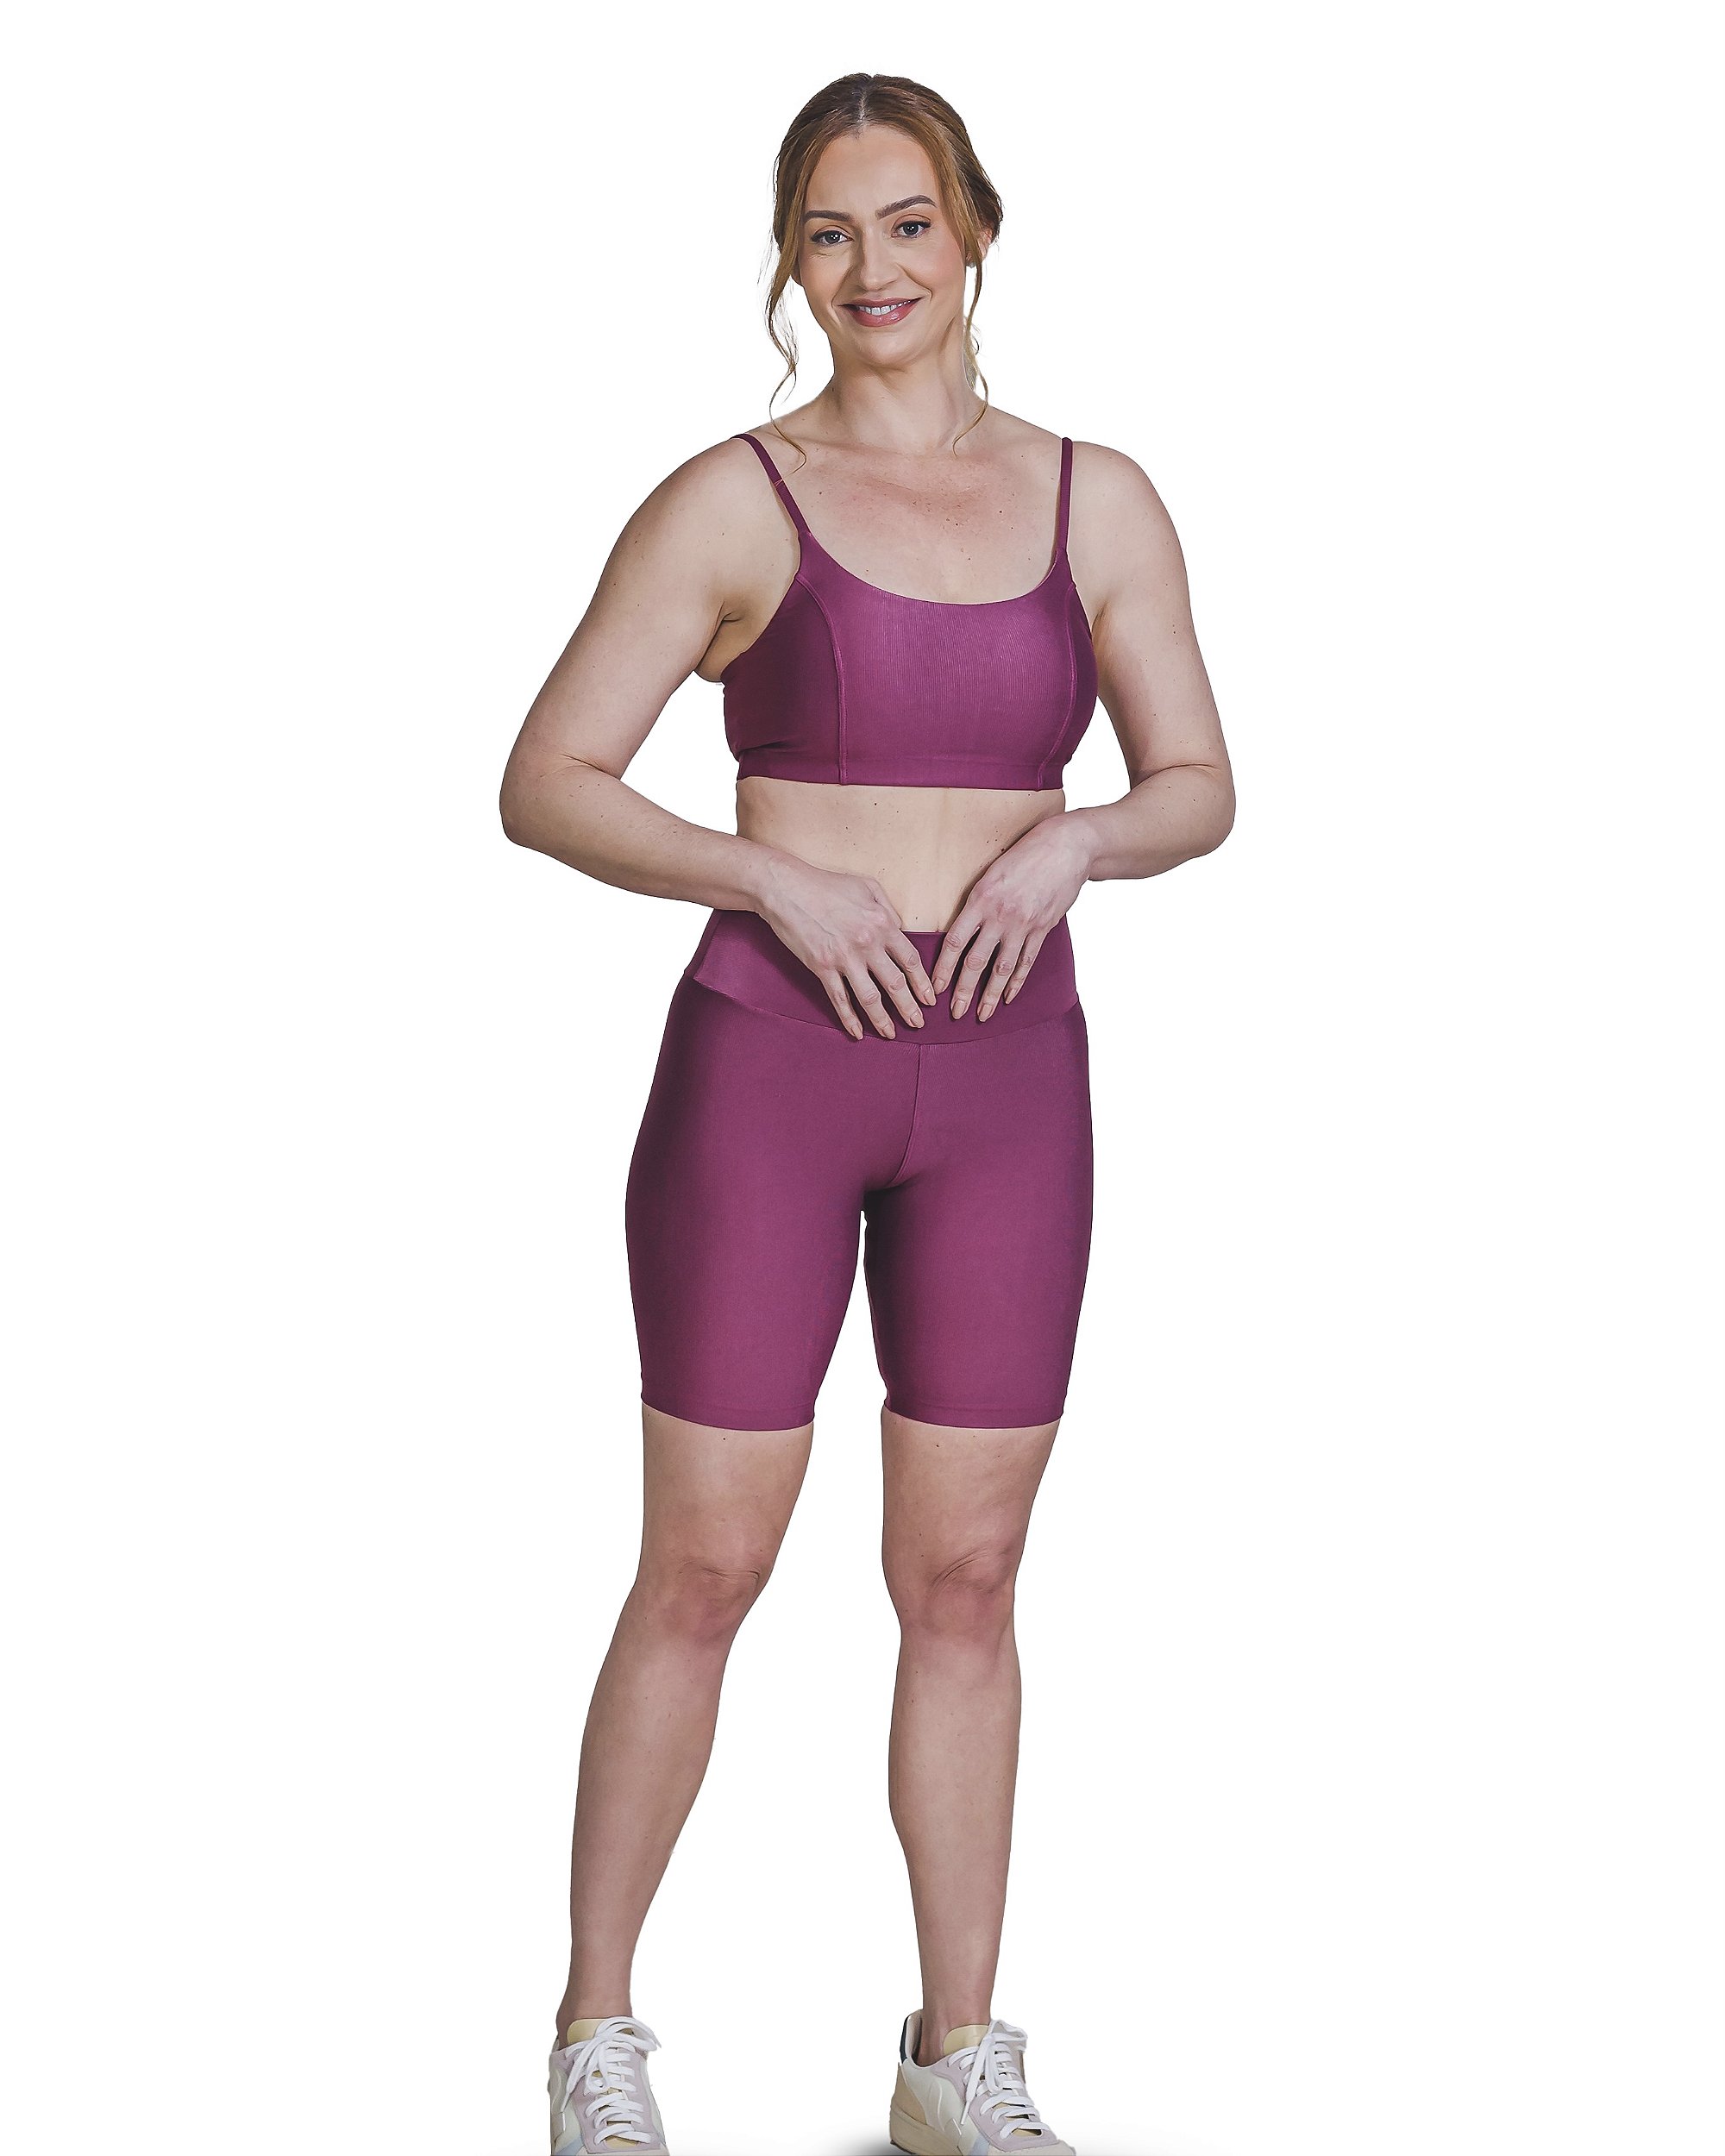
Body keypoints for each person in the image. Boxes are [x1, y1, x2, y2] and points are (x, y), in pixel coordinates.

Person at [499, 70, 1233, 2156]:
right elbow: (546, 774)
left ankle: (953, 2056)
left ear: (974, 229)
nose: (871, 268)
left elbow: (1199, 780)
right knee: (705, 1563)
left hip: (1007, 1081)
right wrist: (766, 876)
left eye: (906, 223)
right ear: (789, 264)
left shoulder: (1098, 501)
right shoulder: (737, 498)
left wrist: (1074, 839)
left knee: (969, 1573)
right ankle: (594, 2034)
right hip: (770, 1064)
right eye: (828, 234)